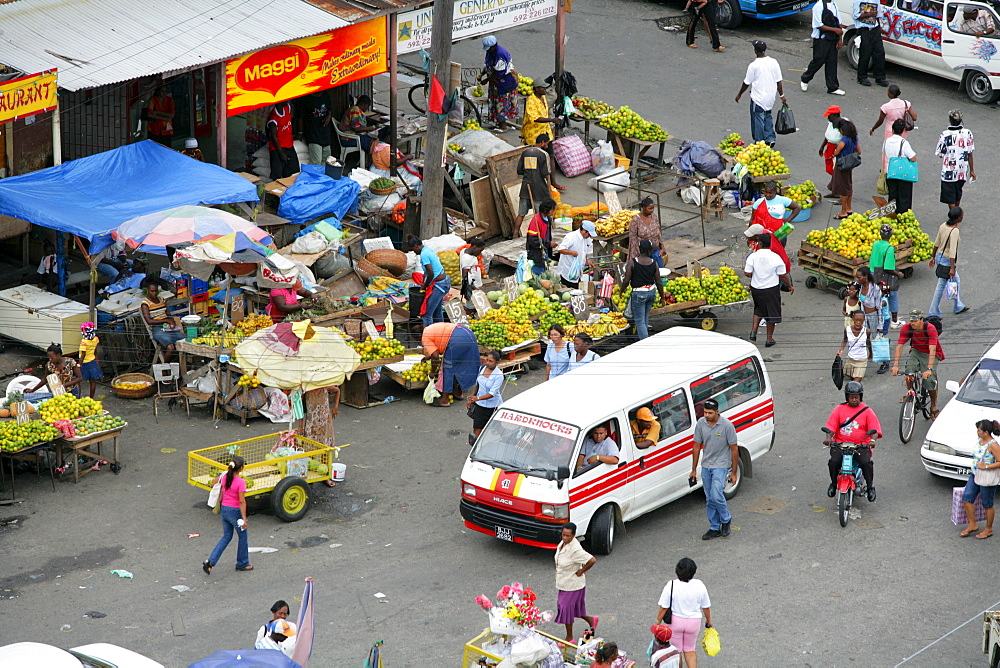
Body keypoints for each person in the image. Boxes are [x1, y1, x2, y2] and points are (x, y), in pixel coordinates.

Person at [824, 380, 882, 501]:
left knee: (866, 463)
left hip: (861, 446)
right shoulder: (839, 409)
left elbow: (875, 430)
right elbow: (831, 427)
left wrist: (872, 441)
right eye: (851, 397)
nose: (854, 399)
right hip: (840, 444)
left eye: (856, 397)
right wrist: (829, 438)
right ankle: (834, 484)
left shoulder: (867, 411)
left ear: (860, 397)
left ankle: (870, 487)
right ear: (847, 397)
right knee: (833, 462)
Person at [689, 399, 738, 540]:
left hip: (721, 466)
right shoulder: (701, 423)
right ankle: (714, 527)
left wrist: (733, 472)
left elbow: (734, 449)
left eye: (710, 413)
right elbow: (696, 446)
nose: (707, 415)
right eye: (705, 412)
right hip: (706, 466)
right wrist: (693, 469)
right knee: (710, 499)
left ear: (717, 412)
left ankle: (726, 518)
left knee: (716, 495)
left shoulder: (727, 426)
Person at [655, 558, 713, 668]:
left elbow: (663, 607)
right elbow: (706, 607)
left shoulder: (671, 585)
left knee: (677, 652)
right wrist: (709, 620)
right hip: (694, 622)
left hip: (675, 622)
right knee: (690, 649)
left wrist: (657, 623)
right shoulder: (700, 585)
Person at [891, 309, 944, 419]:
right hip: (916, 351)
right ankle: (910, 394)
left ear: (921, 320)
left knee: (929, 380)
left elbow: (932, 349)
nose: (913, 323)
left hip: (931, 353)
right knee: (908, 373)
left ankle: (933, 406)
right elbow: (899, 346)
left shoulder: (930, 328)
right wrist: (895, 365)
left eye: (915, 321)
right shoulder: (907, 328)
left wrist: (929, 368)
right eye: (911, 321)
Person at [203, 456, 252, 574]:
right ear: (241, 468)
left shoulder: (224, 476)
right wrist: (244, 519)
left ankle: (210, 562)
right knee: (243, 536)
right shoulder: (241, 482)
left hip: (224, 510)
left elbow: (214, 483)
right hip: (235, 512)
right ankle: (243, 563)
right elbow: (241, 501)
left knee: (227, 536)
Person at [744, 233, 793, 347]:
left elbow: (747, 273)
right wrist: (790, 286)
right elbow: (782, 275)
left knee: (758, 309)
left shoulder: (753, 256)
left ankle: (753, 331)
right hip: (771, 289)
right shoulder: (776, 257)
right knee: (772, 314)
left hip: (756, 288)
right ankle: (769, 339)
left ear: (760, 244)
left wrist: (755, 275)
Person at [735, 40, 786, 146]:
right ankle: (770, 138)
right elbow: (779, 81)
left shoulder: (754, 65)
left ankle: (759, 141)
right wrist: (782, 95)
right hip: (770, 98)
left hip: (758, 98)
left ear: (756, 51)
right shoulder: (774, 62)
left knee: (757, 118)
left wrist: (739, 94)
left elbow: (746, 83)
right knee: (767, 116)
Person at [554, 522, 598, 642]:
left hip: (573, 585)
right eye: (563, 535)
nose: (565, 538)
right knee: (572, 609)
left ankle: (569, 638)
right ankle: (591, 620)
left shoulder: (575, 549)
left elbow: (591, 560)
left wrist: (581, 571)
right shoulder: (563, 544)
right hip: (564, 583)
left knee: (565, 608)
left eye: (568, 536)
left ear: (573, 536)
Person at [421, 322, 480, 408]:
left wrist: (433, 372)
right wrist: (430, 356)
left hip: (456, 340)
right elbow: (436, 349)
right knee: (462, 364)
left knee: (447, 369)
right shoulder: (430, 328)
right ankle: (458, 392)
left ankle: (444, 400)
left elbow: (436, 356)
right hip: (467, 334)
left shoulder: (424, 337)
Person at [959, 420, 1000, 539]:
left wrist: (985, 466)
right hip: (975, 474)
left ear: (986, 432)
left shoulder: (993, 445)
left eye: (979, 430)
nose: (977, 432)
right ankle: (972, 525)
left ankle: (988, 529)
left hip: (987, 477)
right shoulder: (980, 441)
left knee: (987, 504)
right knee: (967, 498)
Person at [928, 207, 969, 317]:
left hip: (939, 257)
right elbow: (952, 251)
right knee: (941, 285)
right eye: (962, 215)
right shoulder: (954, 231)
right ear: (958, 218)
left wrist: (932, 257)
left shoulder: (943, 226)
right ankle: (933, 311)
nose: (963, 217)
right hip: (947, 260)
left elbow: (936, 243)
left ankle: (958, 305)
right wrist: (952, 267)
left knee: (955, 280)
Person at [522, 82, 563, 192]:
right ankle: (534, 183)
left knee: (551, 156)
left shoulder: (543, 98)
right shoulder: (531, 100)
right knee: (534, 158)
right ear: (536, 89)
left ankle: (553, 182)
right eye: (542, 88)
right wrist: (552, 120)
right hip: (534, 134)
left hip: (545, 132)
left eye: (545, 87)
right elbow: (534, 118)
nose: (545, 89)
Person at [800, 0, 846, 96]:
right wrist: (835, 30)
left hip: (833, 39)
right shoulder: (818, 6)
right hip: (821, 40)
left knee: (832, 62)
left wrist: (840, 39)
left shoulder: (834, 5)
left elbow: (839, 23)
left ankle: (832, 87)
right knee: (818, 60)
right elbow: (818, 25)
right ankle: (805, 79)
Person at [623, 239, 665, 340]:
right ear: (649, 251)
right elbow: (658, 282)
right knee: (645, 319)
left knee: (640, 321)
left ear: (640, 249)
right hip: (651, 292)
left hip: (639, 295)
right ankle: (645, 339)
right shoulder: (654, 263)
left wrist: (621, 290)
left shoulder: (632, 262)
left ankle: (645, 343)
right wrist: (662, 297)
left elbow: (626, 280)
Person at [407, 235, 451, 328]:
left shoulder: (424, 254)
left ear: (416, 246)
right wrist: (423, 282)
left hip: (440, 285)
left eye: (413, 250)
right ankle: (441, 333)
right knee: (437, 312)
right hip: (443, 282)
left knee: (427, 314)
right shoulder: (427, 250)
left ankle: (428, 336)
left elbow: (430, 273)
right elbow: (426, 272)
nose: (414, 252)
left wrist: (424, 286)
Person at [935, 110, 975, 209]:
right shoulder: (967, 133)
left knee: (949, 195)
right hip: (962, 170)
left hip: (949, 171)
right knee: (958, 192)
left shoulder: (944, 134)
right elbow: (970, 154)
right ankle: (956, 212)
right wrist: (972, 170)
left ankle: (954, 215)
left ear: (950, 120)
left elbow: (940, 153)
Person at [140, 277, 184, 363]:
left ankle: (180, 365)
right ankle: (165, 368)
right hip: (157, 328)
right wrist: (166, 321)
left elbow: (168, 314)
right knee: (170, 348)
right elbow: (149, 321)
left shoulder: (161, 299)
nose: (154, 293)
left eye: (156, 291)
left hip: (167, 326)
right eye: (152, 291)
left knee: (183, 342)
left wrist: (172, 322)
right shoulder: (145, 303)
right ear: (147, 291)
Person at [869, 223, 904, 330]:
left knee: (878, 297)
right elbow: (888, 267)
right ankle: (894, 321)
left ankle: (878, 319)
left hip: (873, 273)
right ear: (891, 235)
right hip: (884, 276)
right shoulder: (889, 248)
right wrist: (898, 274)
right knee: (893, 296)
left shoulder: (875, 244)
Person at [516, 134, 552, 231]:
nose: (547, 146)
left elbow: (519, 170)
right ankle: (541, 234)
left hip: (525, 187)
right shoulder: (544, 154)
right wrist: (549, 189)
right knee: (540, 214)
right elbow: (546, 174)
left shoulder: (525, 152)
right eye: (547, 144)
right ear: (542, 143)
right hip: (539, 190)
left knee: (521, 213)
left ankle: (515, 234)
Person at [481, 35, 518, 132]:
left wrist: (486, 80)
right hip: (495, 81)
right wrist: (482, 74)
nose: (487, 51)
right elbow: (487, 65)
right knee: (495, 102)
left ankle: (503, 126)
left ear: (494, 46)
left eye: (489, 49)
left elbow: (498, 74)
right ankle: (497, 123)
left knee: (502, 103)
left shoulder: (500, 55)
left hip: (503, 82)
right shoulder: (490, 52)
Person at [370, 127, 422, 192]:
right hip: (388, 172)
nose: (395, 139)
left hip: (380, 168)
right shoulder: (386, 149)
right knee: (415, 180)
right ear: (388, 137)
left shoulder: (376, 143)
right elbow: (393, 163)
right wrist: (407, 157)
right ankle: (411, 196)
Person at [882, 120, 917, 212]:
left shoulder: (886, 141)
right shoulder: (904, 143)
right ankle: (903, 217)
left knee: (893, 197)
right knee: (904, 198)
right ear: (902, 131)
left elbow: (885, 153)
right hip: (903, 174)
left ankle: (892, 215)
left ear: (892, 130)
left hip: (891, 172)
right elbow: (913, 158)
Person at [468, 350, 503, 440]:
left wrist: (477, 398)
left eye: (490, 361)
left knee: (498, 428)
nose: (488, 363)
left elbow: (492, 393)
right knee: (477, 430)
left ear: (497, 362)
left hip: (493, 406)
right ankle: (476, 449)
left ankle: (507, 442)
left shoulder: (499, 375)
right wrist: (472, 398)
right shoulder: (482, 368)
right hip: (480, 406)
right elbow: (478, 385)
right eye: (487, 360)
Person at [830, 118, 860, 219]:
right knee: (849, 186)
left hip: (842, 165)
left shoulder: (844, 139)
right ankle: (849, 208)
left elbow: (837, 152)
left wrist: (836, 151)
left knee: (843, 189)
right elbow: (859, 151)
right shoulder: (854, 139)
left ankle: (843, 211)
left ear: (842, 130)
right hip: (850, 165)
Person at [853, 0, 888, 87]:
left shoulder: (876, 1)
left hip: (875, 30)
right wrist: (868, 14)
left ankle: (879, 77)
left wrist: (879, 28)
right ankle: (862, 77)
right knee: (865, 54)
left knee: (880, 53)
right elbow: (855, 15)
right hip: (865, 30)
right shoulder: (859, 1)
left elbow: (878, 16)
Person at [556, 220, 596, 289]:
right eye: (589, 234)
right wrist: (571, 252)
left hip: (578, 272)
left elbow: (585, 252)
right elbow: (560, 249)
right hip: (568, 271)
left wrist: (587, 261)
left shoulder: (587, 239)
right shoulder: (571, 237)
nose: (589, 236)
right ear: (584, 230)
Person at [628, 197, 666, 267]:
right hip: (642, 252)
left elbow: (658, 232)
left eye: (653, 208)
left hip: (655, 249)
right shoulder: (636, 220)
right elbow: (632, 239)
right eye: (649, 208)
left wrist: (662, 247)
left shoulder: (654, 217)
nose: (652, 210)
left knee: (659, 268)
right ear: (643, 208)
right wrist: (635, 255)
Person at [266, 101, 299, 180]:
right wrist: (281, 154)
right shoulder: (273, 118)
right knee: (277, 174)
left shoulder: (287, 108)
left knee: (294, 170)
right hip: (277, 148)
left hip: (289, 145)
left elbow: (292, 112)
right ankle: (275, 190)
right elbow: (274, 138)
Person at [297, 90, 331, 166]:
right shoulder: (306, 98)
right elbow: (300, 117)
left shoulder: (326, 95)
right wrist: (300, 132)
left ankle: (322, 177)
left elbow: (329, 110)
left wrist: (328, 116)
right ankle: (314, 177)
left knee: (327, 160)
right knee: (316, 161)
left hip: (325, 133)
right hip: (313, 133)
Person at [525, 199, 557, 275]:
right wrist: (548, 243)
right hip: (536, 251)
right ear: (546, 210)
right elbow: (532, 239)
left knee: (545, 266)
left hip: (544, 248)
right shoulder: (536, 221)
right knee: (538, 270)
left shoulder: (548, 218)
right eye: (552, 210)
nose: (553, 212)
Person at [838, 311, 872, 381]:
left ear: (864, 320)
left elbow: (868, 342)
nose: (858, 322)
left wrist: (871, 353)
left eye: (861, 320)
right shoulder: (847, 330)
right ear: (853, 318)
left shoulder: (867, 331)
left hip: (861, 360)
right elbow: (845, 340)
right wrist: (841, 349)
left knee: (856, 381)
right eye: (856, 320)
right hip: (850, 359)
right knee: (852, 379)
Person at [818, 105, 843, 184]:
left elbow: (846, 139)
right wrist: (822, 146)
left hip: (838, 150)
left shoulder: (843, 125)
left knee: (836, 169)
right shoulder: (831, 123)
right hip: (830, 148)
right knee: (830, 168)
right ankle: (834, 186)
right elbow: (828, 136)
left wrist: (838, 151)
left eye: (829, 116)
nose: (828, 118)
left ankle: (837, 188)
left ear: (835, 115)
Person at [854, 266, 883, 335]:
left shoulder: (875, 289)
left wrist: (880, 325)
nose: (857, 280)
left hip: (873, 317)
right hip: (863, 316)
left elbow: (879, 308)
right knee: (864, 338)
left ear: (866, 277)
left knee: (875, 337)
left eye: (859, 277)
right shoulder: (859, 286)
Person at [459, 238, 486, 311]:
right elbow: (465, 276)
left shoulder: (464, 251)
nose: (480, 253)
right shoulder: (467, 258)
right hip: (472, 286)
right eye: (479, 250)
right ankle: (469, 316)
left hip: (474, 284)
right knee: (472, 304)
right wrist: (474, 287)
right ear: (475, 247)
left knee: (475, 302)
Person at [78, 322, 101, 399]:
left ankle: (78, 397)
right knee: (92, 381)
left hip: (85, 363)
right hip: (92, 361)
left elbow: (83, 355)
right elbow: (95, 350)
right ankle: (91, 398)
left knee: (77, 380)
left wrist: (79, 364)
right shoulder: (96, 339)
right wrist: (95, 357)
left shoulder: (84, 342)